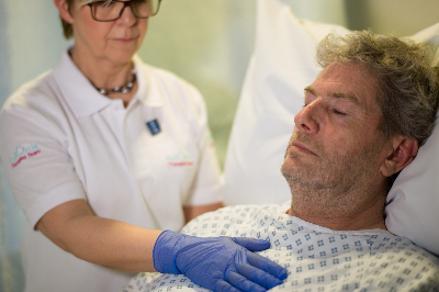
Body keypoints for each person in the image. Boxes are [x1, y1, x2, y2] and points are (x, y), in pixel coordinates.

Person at [0, 0, 287, 291]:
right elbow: (69, 227)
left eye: (138, 2)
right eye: (107, 4)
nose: (128, 19)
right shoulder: (30, 112)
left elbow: (206, 218)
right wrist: (176, 251)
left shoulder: (181, 98)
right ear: (64, 8)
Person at [126, 31, 439, 291]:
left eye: (339, 111)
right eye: (307, 102)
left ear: (395, 154)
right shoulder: (211, 228)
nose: (302, 118)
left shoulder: (401, 277)